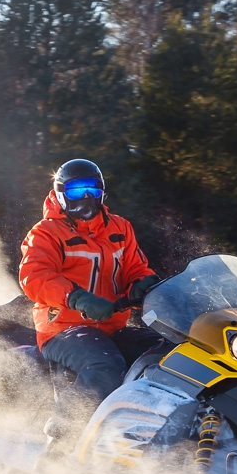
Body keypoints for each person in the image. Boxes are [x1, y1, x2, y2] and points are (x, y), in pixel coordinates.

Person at [19, 159, 162, 454]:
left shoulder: (120, 228)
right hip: (61, 329)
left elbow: (137, 267)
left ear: (102, 193)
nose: (85, 197)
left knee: (169, 355)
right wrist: (77, 298)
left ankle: (160, 436)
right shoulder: (46, 232)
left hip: (111, 327)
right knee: (104, 366)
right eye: (75, 190)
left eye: (92, 189)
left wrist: (144, 283)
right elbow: (35, 276)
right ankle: (62, 441)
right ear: (60, 194)